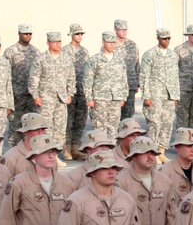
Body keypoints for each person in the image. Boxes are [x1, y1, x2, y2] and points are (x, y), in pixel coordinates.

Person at [28, 32, 75, 167]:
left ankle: (54, 156)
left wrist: (70, 93)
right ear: (48, 43)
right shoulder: (40, 58)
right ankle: (43, 154)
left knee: (60, 128)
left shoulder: (66, 58)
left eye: (59, 42)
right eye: (54, 42)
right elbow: (34, 77)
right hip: (46, 98)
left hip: (61, 98)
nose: (58, 44)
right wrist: (35, 95)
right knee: (46, 127)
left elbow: (71, 77)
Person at [139, 29, 180, 163]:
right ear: (158, 38)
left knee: (167, 123)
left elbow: (175, 77)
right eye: (164, 38)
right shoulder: (150, 54)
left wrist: (176, 96)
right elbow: (144, 76)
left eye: (168, 38)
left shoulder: (173, 55)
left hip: (169, 94)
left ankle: (161, 151)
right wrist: (146, 96)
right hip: (154, 93)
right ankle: (153, 152)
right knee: (154, 123)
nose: (166, 41)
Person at [85, 31, 129, 136]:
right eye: (109, 42)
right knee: (99, 127)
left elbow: (123, 79)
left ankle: (111, 151)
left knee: (113, 127)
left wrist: (124, 96)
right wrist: (89, 98)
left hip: (116, 98)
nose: (112, 44)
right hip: (100, 99)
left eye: (113, 42)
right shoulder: (95, 60)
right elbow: (87, 80)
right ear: (103, 42)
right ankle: (100, 151)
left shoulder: (119, 60)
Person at [3, 24, 39, 142]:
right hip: (16, 95)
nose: (28, 36)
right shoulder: (10, 52)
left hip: (31, 95)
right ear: (19, 33)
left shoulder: (36, 52)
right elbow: (4, 75)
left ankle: (29, 152)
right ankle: (14, 154)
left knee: (31, 125)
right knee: (15, 125)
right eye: (25, 33)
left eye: (29, 34)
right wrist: (8, 94)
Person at [63, 24, 90, 159]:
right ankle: (66, 148)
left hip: (82, 91)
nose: (80, 36)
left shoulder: (85, 52)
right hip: (69, 92)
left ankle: (75, 148)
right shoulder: (64, 51)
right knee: (68, 121)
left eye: (81, 34)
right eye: (77, 34)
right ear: (71, 35)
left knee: (80, 121)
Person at [113, 19, 140, 120]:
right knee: (115, 115)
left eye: (125, 29)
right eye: (121, 29)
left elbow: (137, 64)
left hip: (130, 85)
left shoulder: (132, 45)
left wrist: (137, 83)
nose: (124, 31)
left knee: (128, 115)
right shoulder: (111, 44)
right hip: (116, 86)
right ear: (115, 29)